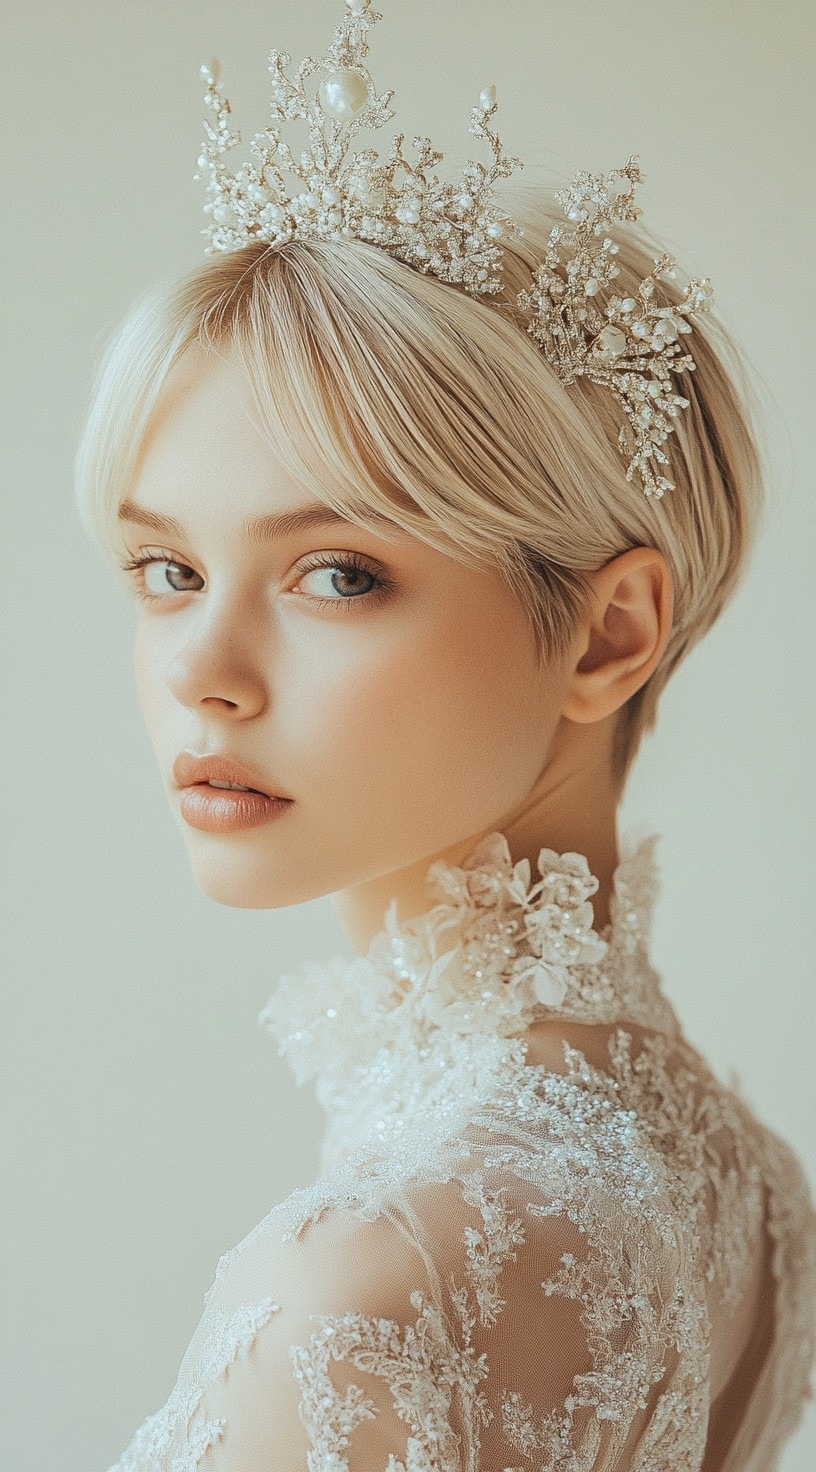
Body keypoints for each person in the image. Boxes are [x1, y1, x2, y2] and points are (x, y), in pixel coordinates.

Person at [73, 4, 816, 1469]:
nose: (202, 673)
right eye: (168, 571)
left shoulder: (351, 1289)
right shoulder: (757, 1195)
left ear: (608, 634)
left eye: (336, 575)